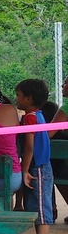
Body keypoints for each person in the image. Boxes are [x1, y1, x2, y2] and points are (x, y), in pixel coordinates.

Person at [15, 78, 54, 234]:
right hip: (40, 164)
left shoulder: (30, 118)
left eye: (19, 96)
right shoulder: (38, 114)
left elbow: (29, 147)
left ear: (29, 99)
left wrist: (24, 170)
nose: (16, 99)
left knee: (40, 204)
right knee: (37, 202)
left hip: (37, 166)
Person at [50, 77, 68, 223]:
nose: (62, 85)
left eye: (66, 83)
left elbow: (48, 133)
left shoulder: (66, 108)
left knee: (51, 167)